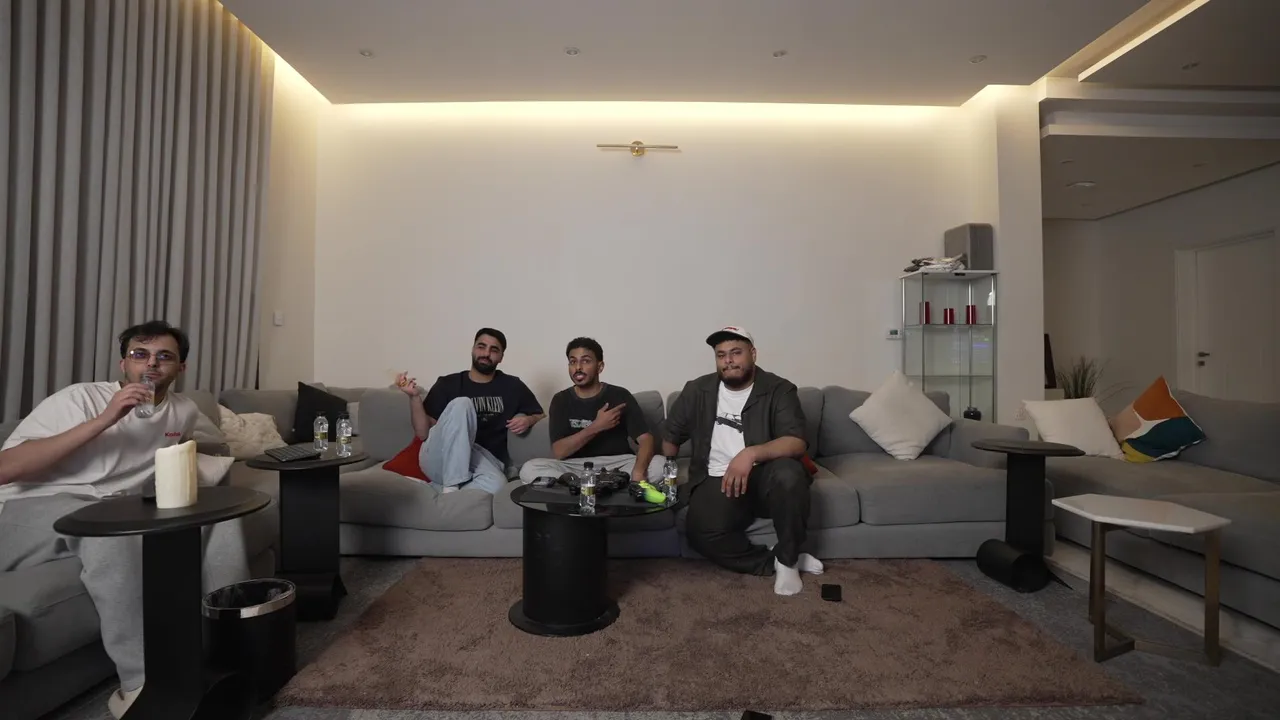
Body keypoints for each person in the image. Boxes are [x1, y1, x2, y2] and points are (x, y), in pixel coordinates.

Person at [0, 320, 246, 719]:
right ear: (123, 364)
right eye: (140, 355)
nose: (151, 365)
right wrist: (106, 419)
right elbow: (6, 469)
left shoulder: (183, 410)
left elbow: (198, 452)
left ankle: (230, 650)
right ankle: (142, 685)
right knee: (109, 533)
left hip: (113, 505)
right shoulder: (79, 399)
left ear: (180, 368)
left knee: (221, 516)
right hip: (28, 508)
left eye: (164, 357)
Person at [662, 326, 824, 596]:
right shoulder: (697, 390)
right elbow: (671, 435)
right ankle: (775, 559)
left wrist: (750, 454)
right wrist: (667, 472)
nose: (728, 360)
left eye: (736, 352)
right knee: (700, 534)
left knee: (789, 473)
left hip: (765, 476)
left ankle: (788, 561)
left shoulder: (779, 389)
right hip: (717, 477)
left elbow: (796, 441)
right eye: (721, 355)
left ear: (753, 354)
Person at [396, 327, 544, 494]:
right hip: (440, 457)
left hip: (481, 460)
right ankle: (452, 486)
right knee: (462, 404)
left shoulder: (512, 386)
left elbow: (540, 413)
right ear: (473, 349)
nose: (486, 353)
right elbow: (423, 434)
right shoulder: (448, 383)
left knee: (498, 485)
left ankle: (436, 489)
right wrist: (414, 397)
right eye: (481, 346)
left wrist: (528, 420)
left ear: (501, 357)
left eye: (494, 350)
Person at [518, 337, 664, 485]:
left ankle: (585, 486)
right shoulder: (561, 399)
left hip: (617, 464)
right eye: (573, 362)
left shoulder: (620, 395)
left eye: (586, 361)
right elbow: (559, 452)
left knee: (660, 464)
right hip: (575, 467)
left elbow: (646, 439)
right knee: (529, 469)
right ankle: (601, 485)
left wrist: (638, 472)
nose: (578, 367)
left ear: (600, 367)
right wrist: (596, 426)